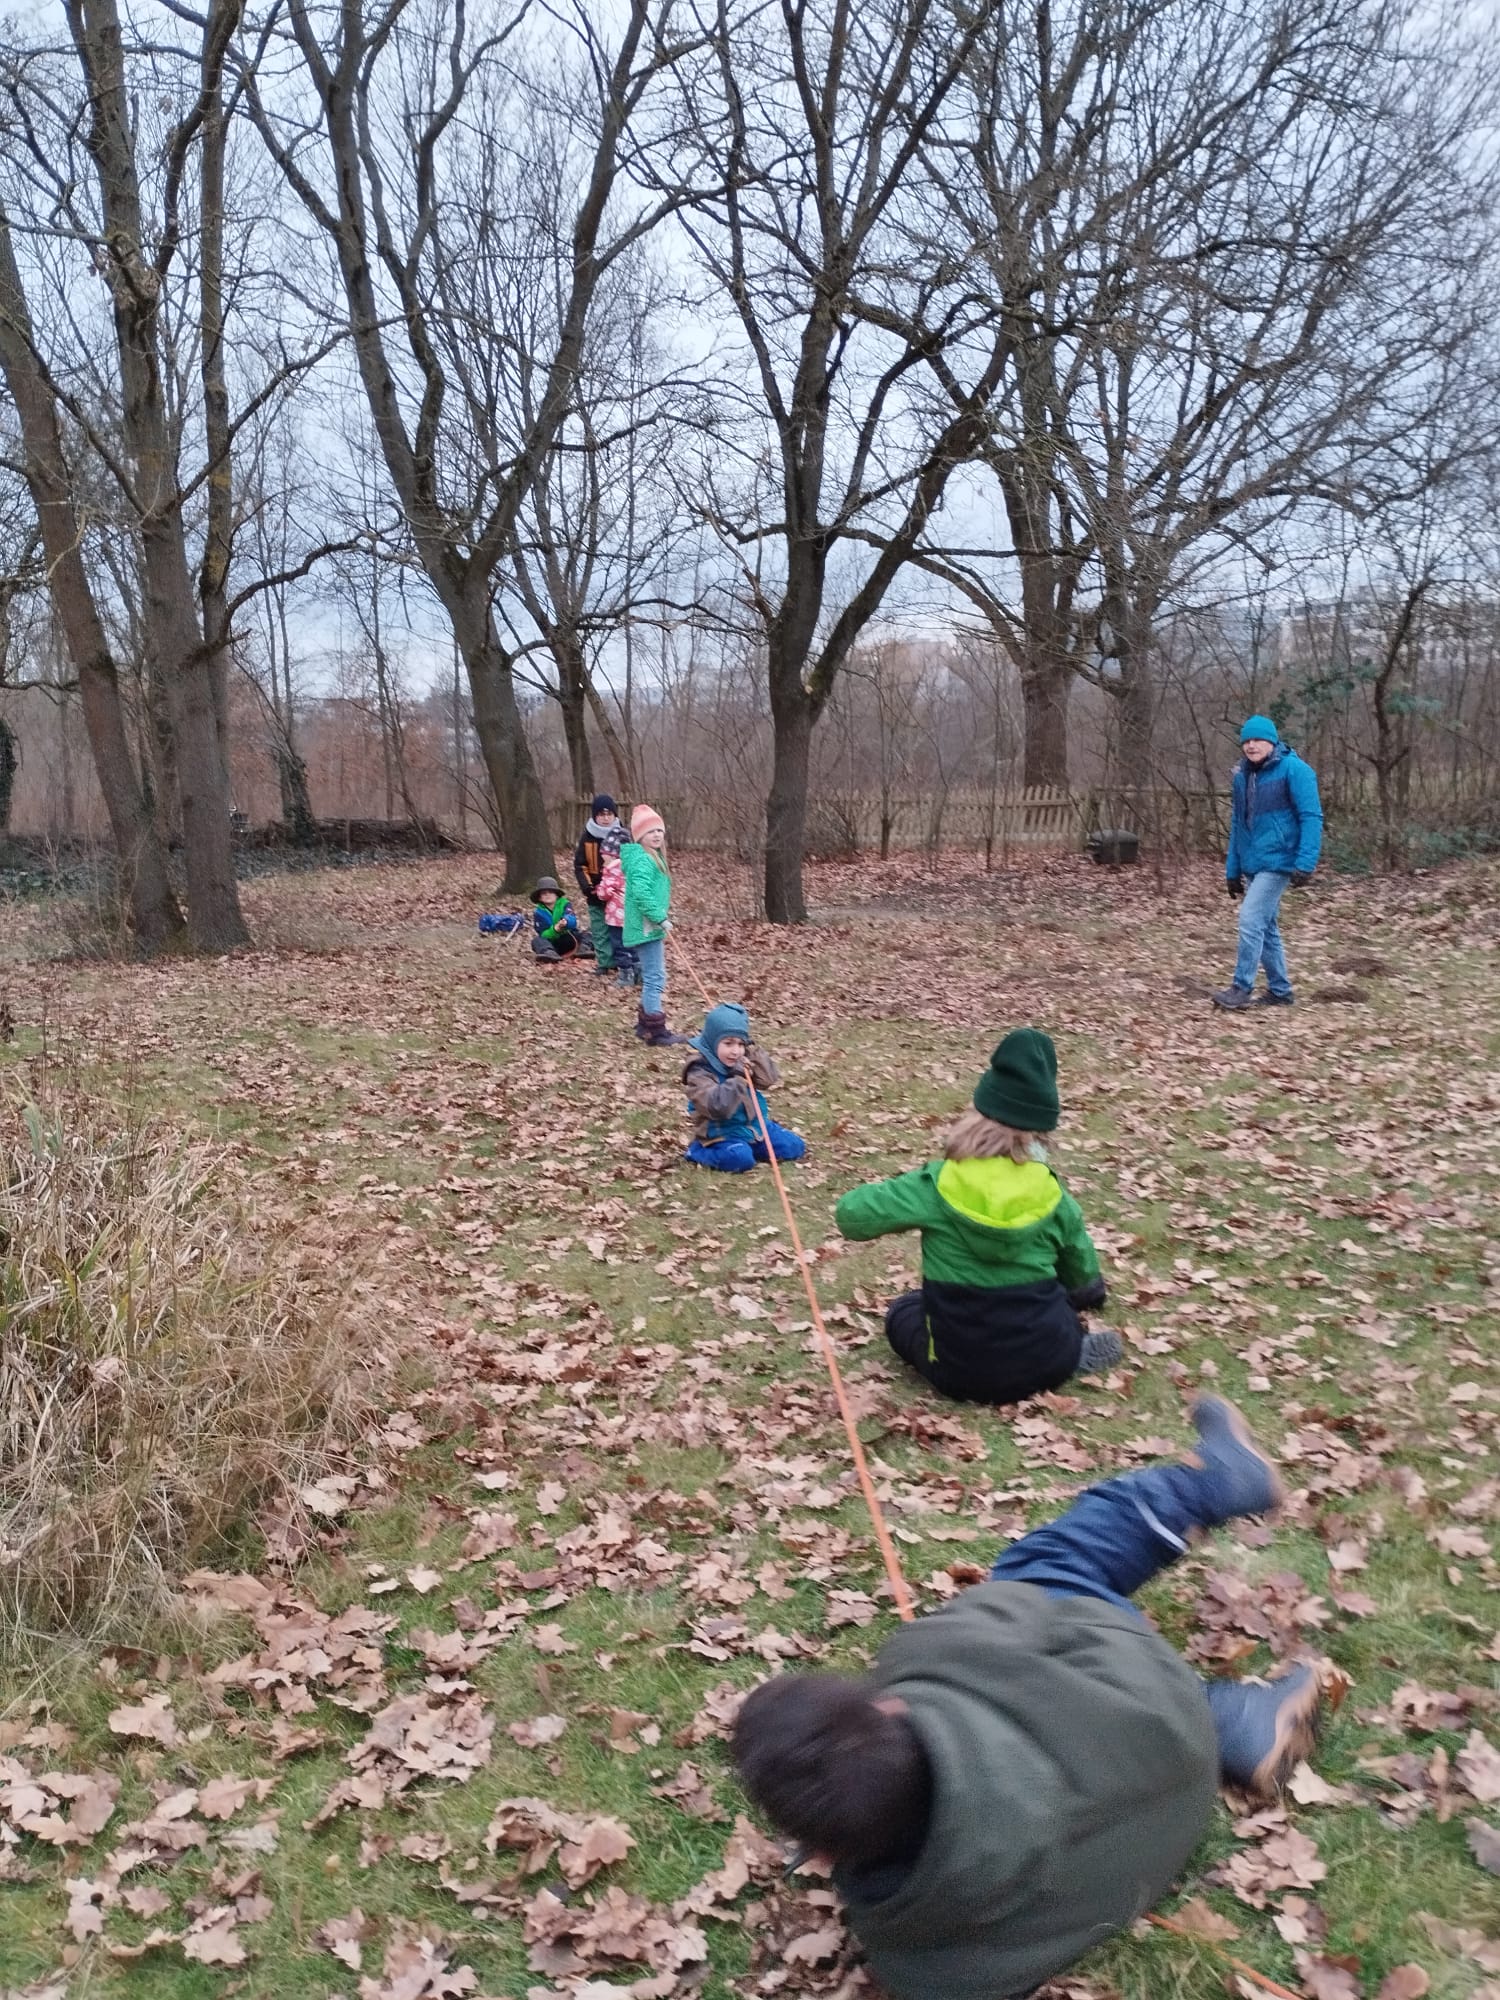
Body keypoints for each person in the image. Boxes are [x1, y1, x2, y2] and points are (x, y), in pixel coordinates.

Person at [731, 1397, 1324, 2000]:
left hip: (1161, 1823)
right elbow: (1019, 1609)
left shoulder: (914, 1958)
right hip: (1160, 1720)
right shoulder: (929, 1661)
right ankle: (1212, 1485)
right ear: (886, 1707)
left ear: (827, 1855)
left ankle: (1236, 1723)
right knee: (1041, 1567)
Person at [834, 1029, 1121, 1406]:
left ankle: (1011, 1349)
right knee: (1057, 1310)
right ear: (1041, 1133)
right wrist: (1087, 1296)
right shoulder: (1054, 1193)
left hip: (960, 1374)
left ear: (977, 1115)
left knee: (904, 1311)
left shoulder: (936, 1183)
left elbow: (850, 1216)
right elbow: (1085, 1283)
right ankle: (1063, 1352)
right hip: (1049, 1360)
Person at [1213, 715, 1323, 1011]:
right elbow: (1238, 825)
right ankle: (1280, 991)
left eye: (1257, 740)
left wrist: (1306, 861)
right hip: (1252, 862)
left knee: (1250, 918)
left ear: (1272, 741)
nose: (1251, 746)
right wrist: (1232, 870)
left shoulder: (1296, 771)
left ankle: (1241, 987)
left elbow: (1311, 817)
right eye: (1246, 741)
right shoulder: (1242, 777)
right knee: (1266, 925)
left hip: (1280, 860)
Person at [683, 1001, 805, 1173]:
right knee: (739, 1159)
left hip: (755, 1128)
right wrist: (738, 1078)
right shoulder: (699, 1072)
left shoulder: (742, 1060)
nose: (736, 1051)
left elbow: (767, 1080)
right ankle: (697, 1152)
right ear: (712, 1042)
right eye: (728, 1043)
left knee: (793, 1147)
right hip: (722, 1134)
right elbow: (717, 1107)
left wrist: (752, 1051)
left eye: (741, 1044)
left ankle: (752, 1147)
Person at [620, 804, 687, 1046]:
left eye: (659, 830)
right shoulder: (643, 861)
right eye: (650, 832)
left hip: (650, 926)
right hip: (647, 927)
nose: (657, 835)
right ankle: (656, 1032)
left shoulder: (653, 858)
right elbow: (641, 893)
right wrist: (660, 917)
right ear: (639, 837)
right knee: (654, 977)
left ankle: (644, 1025)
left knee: (653, 975)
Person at [574, 794, 628, 978]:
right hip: (595, 891)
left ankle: (624, 961)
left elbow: (630, 863)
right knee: (599, 929)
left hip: (619, 893)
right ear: (595, 816)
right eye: (601, 814)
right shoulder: (587, 837)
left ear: (614, 815)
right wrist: (589, 888)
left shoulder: (623, 835)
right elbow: (580, 865)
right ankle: (605, 962)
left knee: (620, 929)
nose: (605, 818)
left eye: (609, 814)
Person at [597, 848, 638, 990]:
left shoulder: (611, 871)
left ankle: (626, 974)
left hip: (616, 918)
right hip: (632, 916)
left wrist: (602, 889)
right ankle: (638, 971)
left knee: (619, 946)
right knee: (632, 945)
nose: (602, 858)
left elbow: (602, 894)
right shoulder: (633, 868)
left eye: (603, 854)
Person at [529, 876, 579, 964]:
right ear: (540, 898)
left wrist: (566, 922)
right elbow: (543, 933)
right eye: (544, 893)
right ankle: (549, 954)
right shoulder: (538, 912)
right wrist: (555, 930)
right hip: (553, 943)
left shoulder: (565, 904)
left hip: (568, 938)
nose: (548, 895)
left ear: (556, 894)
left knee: (586, 934)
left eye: (551, 892)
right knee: (537, 941)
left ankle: (584, 949)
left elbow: (572, 918)